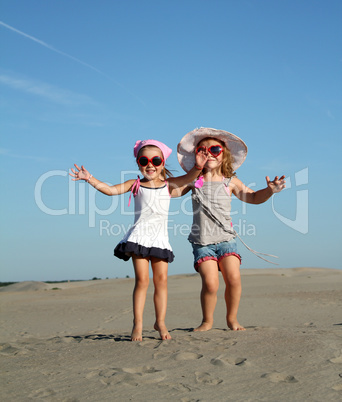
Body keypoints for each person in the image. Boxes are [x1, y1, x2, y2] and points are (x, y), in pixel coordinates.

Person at [70, 139, 207, 341]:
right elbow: (110, 190)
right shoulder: (135, 184)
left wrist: (199, 165)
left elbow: (190, 177)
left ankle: (160, 322)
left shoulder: (169, 185)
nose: (150, 164)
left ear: (162, 163)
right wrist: (90, 178)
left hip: (160, 240)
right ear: (138, 163)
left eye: (155, 160)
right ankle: (138, 324)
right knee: (142, 281)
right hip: (139, 238)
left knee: (161, 282)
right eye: (144, 160)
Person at [177, 127, 286, 331]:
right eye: (202, 149)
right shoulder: (193, 180)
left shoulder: (230, 181)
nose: (208, 153)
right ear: (196, 155)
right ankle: (207, 321)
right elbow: (172, 192)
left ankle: (232, 319)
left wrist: (270, 191)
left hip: (227, 240)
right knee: (210, 284)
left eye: (215, 149)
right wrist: (191, 172)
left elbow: (253, 197)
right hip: (202, 243)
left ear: (224, 155)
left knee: (234, 279)